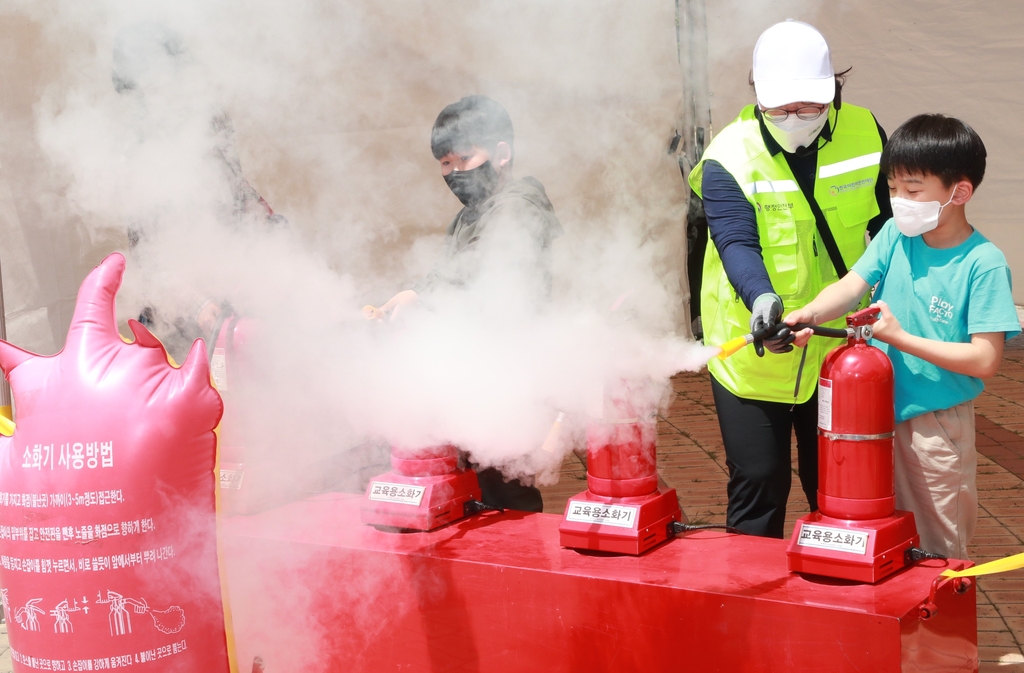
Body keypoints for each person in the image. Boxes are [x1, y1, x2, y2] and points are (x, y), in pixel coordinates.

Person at [686, 20, 892, 537]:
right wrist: (760, 299)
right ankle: (751, 606)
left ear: (832, 92)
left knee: (837, 481)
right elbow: (735, 241)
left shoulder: (866, 133)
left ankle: (838, 599)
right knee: (760, 477)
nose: (795, 118)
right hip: (754, 345)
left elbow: (888, 227)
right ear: (758, 95)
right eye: (780, 108)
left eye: (809, 106)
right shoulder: (728, 155)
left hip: (836, 344)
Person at [785, 114, 1019, 559]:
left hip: (934, 426)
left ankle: (938, 628)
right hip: (871, 415)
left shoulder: (983, 263)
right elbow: (852, 284)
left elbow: (985, 359)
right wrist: (810, 314)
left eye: (912, 191)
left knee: (935, 548)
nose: (899, 201)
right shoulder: (895, 235)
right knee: (872, 534)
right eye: (893, 189)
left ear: (959, 191)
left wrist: (899, 337)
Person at [374, 95, 563, 511]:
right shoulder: (469, 215)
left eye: (463, 158)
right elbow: (445, 274)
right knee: (472, 491)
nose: (454, 172)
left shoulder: (520, 208)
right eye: (444, 163)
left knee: (505, 493)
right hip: (472, 378)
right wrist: (410, 299)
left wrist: (422, 300)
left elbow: (487, 277)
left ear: (501, 153)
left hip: (507, 380)